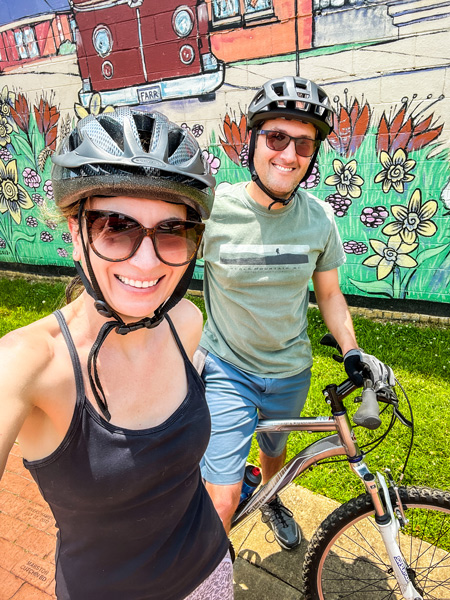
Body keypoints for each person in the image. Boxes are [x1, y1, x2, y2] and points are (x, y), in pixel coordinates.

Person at [0, 107, 232, 599]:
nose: (147, 261)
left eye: (172, 230)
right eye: (116, 225)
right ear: (75, 233)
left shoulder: (185, 323)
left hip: (210, 571)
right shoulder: (27, 364)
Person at [198, 76, 391, 549]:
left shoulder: (320, 218)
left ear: (314, 154)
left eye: (303, 144)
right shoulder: (214, 211)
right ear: (254, 142)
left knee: (274, 458)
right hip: (227, 368)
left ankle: (270, 499)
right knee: (219, 503)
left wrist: (352, 350)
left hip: (289, 370)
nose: (288, 155)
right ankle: (207, 579)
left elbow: (329, 294)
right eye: (276, 137)